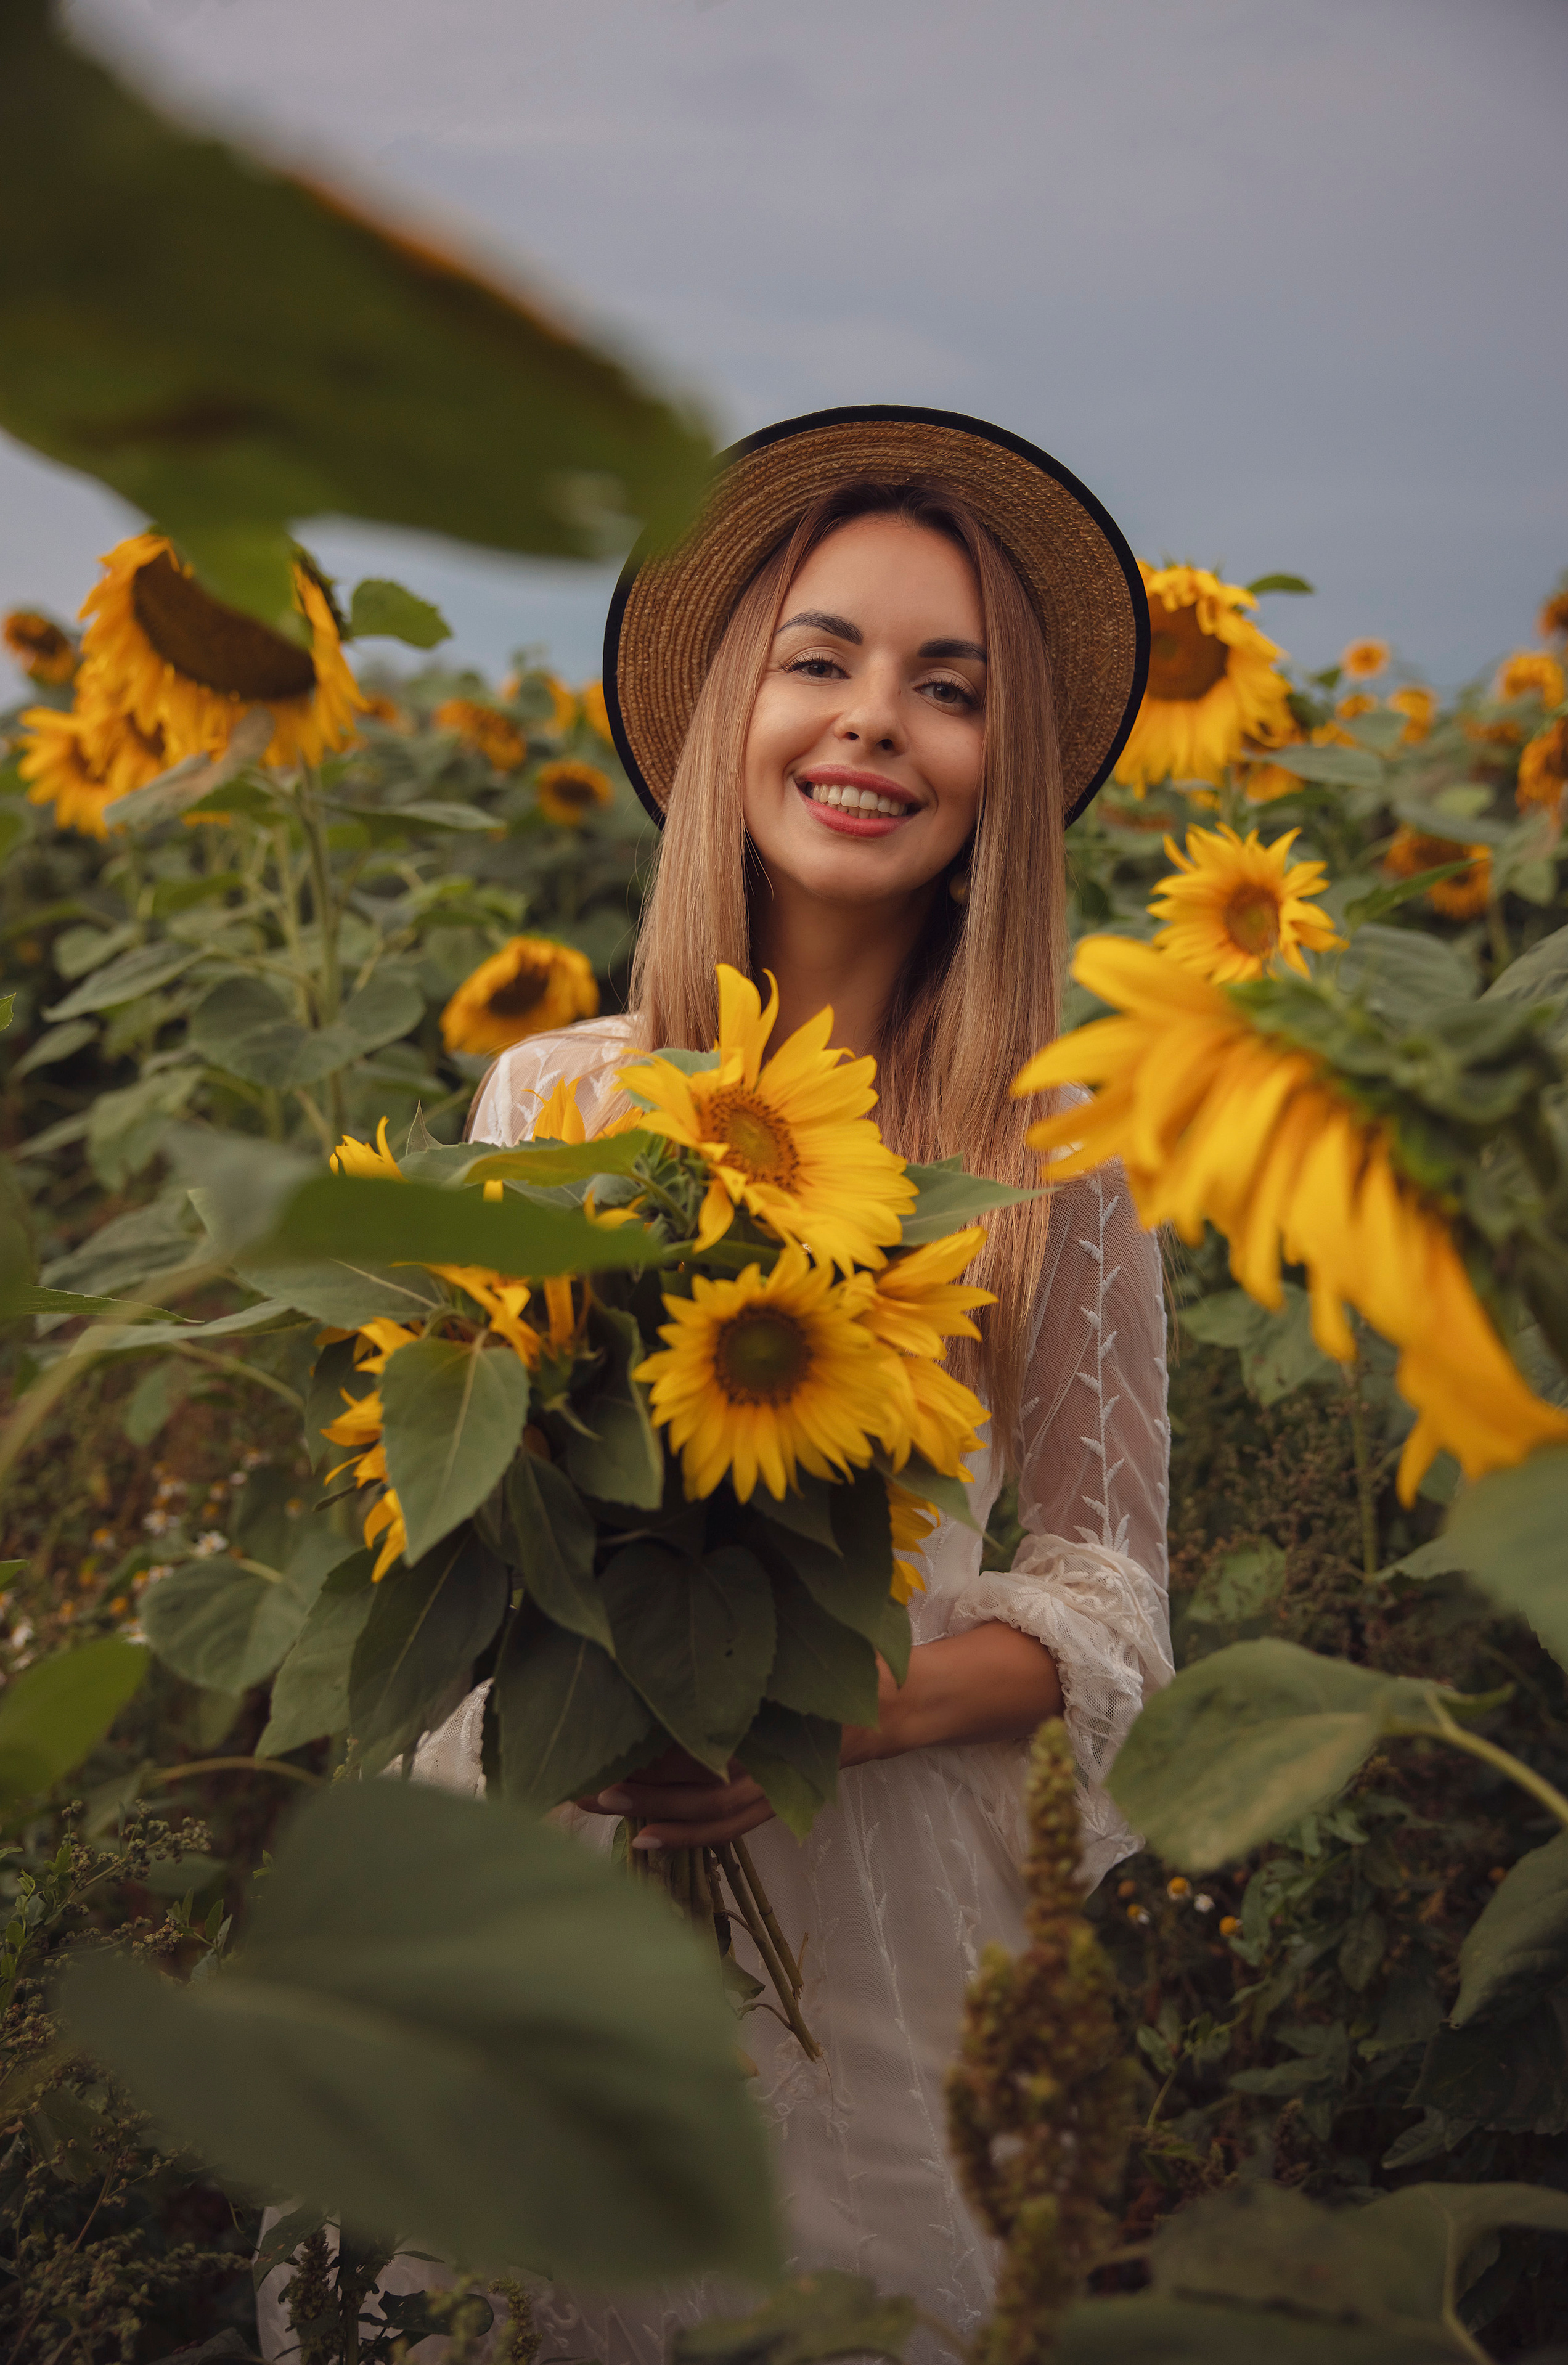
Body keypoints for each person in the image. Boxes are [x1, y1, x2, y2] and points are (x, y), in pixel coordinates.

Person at [266, 407, 1172, 2364]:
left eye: (950, 688)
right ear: (728, 714)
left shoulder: (1057, 1154)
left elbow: (1110, 1591)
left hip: (884, 1882)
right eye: (822, 659)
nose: (874, 725)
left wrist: (816, 1715)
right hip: (568, 1842)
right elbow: (480, 1452)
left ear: (1003, 765)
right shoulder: (560, 1101)